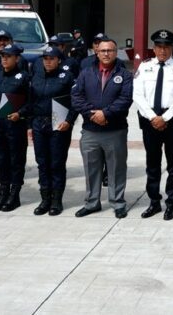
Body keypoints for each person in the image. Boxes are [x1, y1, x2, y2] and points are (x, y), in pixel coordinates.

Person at [71, 37, 133, 218]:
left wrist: (105, 114)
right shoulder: (85, 73)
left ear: (116, 53)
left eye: (110, 51)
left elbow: (125, 100)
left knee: (116, 169)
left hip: (115, 130)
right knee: (91, 169)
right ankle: (92, 203)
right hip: (90, 131)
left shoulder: (125, 75)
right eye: (103, 51)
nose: (106, 54)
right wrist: (93, 114)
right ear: (96, 52)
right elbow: (76, 97)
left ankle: (117, 202)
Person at [134, 30, 173, 221]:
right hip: (150, 121)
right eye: (159, 46)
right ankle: (154, 202)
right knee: (152, 163)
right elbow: (137, 95)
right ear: (153, 48)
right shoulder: (145, 67)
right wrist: (153, 117)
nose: (163, 50)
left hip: (172, 120)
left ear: (172, 48)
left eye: (166, 47)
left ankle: (171, 202)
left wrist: (164, 118)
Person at [29, 47, 77, 216]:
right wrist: (30, 125)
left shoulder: (67, 77)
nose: (48, 61)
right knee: (42, 162)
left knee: (56, 163)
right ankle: (45, 199)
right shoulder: (36, 76)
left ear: (59, 60)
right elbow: (30, 101)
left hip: (58, 121)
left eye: (51, 58)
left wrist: (69, 121)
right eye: (45, 58)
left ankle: (57, 200)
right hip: (39, 122)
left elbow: (75, 102)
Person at [0, 43, 31, 212]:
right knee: (1, 160)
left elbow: (31, 101)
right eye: (2, 56)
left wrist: (21, 113)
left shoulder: (24, 77)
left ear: (17, 58)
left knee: (16, 160)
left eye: (8, 56)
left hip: (15, 124)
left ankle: (14, 194)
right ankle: (3, 193)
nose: (4, 59)